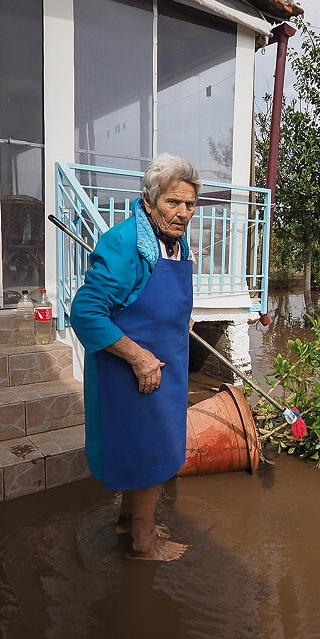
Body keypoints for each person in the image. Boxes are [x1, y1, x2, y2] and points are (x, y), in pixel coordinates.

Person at [70, 154, 198, 562]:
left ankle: (129, 521)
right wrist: (139, 357)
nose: (182, 213)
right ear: (148, 201)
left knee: (146, 447)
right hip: (135, 371)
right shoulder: (125, 244)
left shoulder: (174, 243)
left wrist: (183, 318)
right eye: (172, 203)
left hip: (167, 364)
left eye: (189, 205)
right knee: (150, 451)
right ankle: (145, 544)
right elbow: (86, 312)